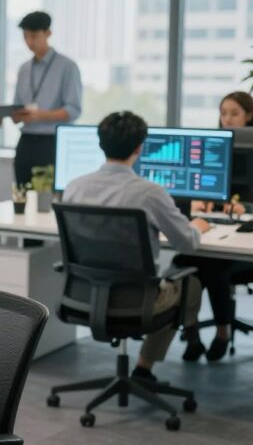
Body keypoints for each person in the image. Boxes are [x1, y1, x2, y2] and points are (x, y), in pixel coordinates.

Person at [63, 111, 207, 382]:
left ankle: (157, 359)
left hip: (84, 296)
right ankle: (144, 365)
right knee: (192, 286)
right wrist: (198, 227)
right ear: (140, 147)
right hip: (137, 301)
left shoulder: (74, 188)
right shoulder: (149, 193)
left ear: (100, 143)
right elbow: (186, 243)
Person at [172, 90, 253, 361]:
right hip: (211, 234)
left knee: (213, 267)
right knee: (183, 262)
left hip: (244, 246)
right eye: (223, 113)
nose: (227, 119)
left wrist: (246, 207)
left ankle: (223, 332)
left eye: (234, 113)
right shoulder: (212, 148)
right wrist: (198, 202)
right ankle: (193, 335)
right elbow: (195, 186)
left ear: (249, 115)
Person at [10, 11, 83, 187]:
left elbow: (73, 110)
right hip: (25, 140)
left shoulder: (67, 67)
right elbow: (16, 106)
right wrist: (15, 114)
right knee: (22, 195)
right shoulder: (23, 69)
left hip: (52, 142)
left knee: (47, 198)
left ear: (48, 33)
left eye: (34, 36)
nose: (29, 42)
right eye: (26, 36)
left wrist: (39, 116)